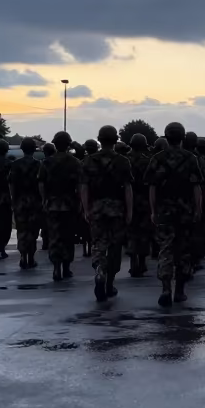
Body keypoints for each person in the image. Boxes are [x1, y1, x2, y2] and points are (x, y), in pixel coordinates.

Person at [145, 122, 202, 307]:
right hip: (185, 211)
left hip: (164, 211)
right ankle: (180, 291)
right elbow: (196, 188)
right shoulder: (191, 158)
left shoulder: (157, 158)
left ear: (166, 136)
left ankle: (165, 288)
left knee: (165, 249)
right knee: (184, 251)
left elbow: (152, 188)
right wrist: (198, 209)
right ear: (182, 137)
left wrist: (153, 210)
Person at [81, 125, 134, 302]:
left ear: (99, 139)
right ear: (115, 140)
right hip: (117, 208)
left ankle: (99, 270)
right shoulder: (122, 161)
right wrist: (129, 211)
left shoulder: (88, 161)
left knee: (98, 243)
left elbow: (84, 187)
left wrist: (86, 208)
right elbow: (127, 188)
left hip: (96, 207)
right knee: (115, 247)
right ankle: (109, 284)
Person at [38, 130, 82, 281]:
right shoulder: (75, 162)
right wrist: (80, 202)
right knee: (68, 236)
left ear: (55, 144)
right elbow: (80, 185)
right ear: (69, 144)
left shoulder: (46, 162)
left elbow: (42, 184)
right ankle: (66, 268)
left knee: (54, 236)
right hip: (69, 204)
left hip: (52, 204)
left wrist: (44, 200)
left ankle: (56, 268)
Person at [9, 137, 42, 269]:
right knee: (33, 230)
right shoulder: (38, 164)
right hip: (34, 201)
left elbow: (11, 184)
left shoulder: (15, 165)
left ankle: (23, 256)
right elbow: (41, 185)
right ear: (34, 149)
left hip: (20, 201)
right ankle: (31, 257)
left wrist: (13, 199)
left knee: (22, 230)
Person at [126, 133, 152, 276]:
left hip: (128, 200)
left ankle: (133, 262)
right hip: (144, 201)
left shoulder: (125, 160)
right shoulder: (148, 162)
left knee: (131, 232)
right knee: (144, 233)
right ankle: (142, 262)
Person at [39, 143, 55, 251]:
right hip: (63, 199)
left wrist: (43, 198)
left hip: (48, 198)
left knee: (45, 221)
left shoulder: (43, 164)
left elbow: (41, 183)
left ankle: (46, 242)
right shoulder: (65, 162)